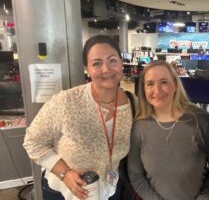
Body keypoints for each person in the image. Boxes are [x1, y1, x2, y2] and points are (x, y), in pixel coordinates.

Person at [23, 35, 136, 200]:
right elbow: (33, 142)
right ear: (87, 69)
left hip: (110, 189)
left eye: (112, 60)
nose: (106, 69)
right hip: (66, 192)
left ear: (121, 62)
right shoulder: (67, 101)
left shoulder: (133, 104)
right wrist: (65, 173)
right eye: (97, 63)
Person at [127, 60, 209, 200]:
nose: (157, 90)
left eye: (163, 82)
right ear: (143, 89)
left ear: (175, 85)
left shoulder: (202, 121)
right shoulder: (139, 127)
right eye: (150, 84)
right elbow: (136, 175)